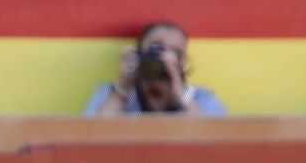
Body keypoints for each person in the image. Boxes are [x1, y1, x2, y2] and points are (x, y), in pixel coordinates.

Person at [83, 21, 226, 115]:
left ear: (183, 62)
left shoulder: (202, 97)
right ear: (138, 53)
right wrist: (123, 89)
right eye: (156, 49)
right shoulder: (109, 94)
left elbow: (213, 142)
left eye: (175, 52)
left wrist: (182, 94)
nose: (165, 58)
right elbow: (92, 136)